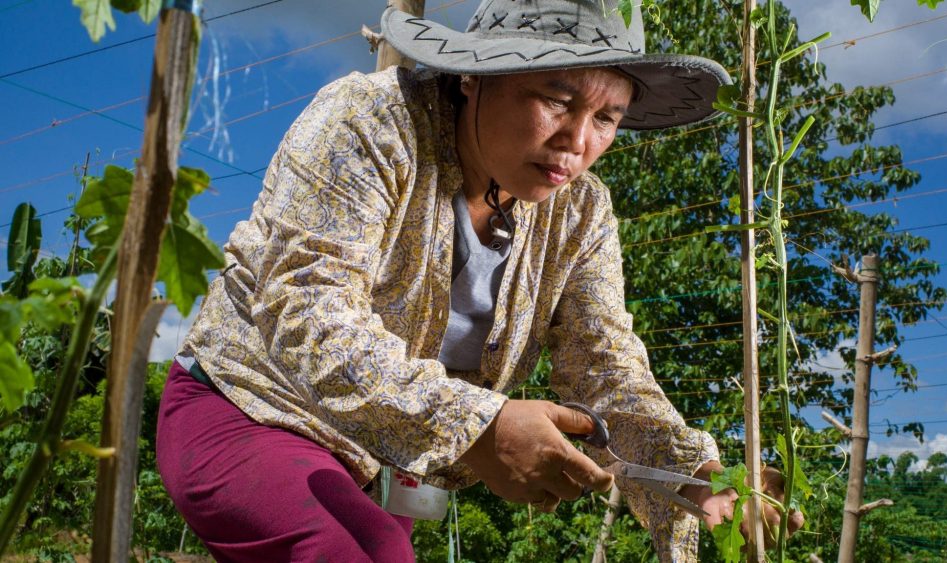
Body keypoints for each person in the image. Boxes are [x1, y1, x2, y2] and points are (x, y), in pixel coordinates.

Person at [156, 1, 802, 561]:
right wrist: (482, 426)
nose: (577, 141)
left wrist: (697, 477)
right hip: (251, 406)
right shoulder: (370, 123)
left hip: (381, 458)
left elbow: (604, 365)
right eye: (556, 99)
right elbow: (307, 310)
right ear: (475, 75)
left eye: (607, 118)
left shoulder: (581, 214)